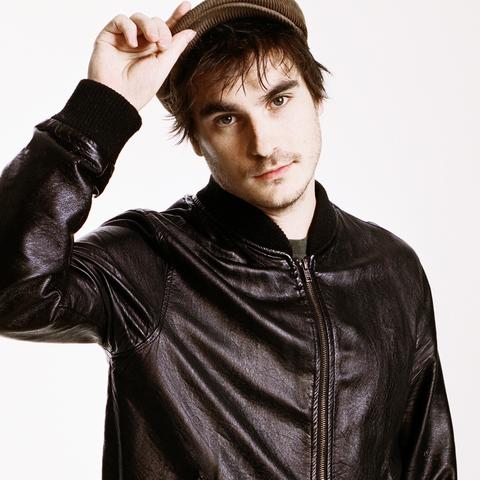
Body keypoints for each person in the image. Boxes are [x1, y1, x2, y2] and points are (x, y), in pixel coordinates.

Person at [0, 0, 457, 478]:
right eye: (226, 119)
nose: (263, 144)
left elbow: (429, 464)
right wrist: (99, 111)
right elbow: (12, 294)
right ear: (197, 141)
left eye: (278, 101)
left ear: (316, 97)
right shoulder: (151, 259)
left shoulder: (391, 268)